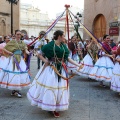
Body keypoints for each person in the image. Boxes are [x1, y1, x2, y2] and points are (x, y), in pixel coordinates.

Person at [27, 30, 80, 118]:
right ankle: (51, 107)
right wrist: (46, 61)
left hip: (61, 69)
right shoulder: (49, 45)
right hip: (51, 69)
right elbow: (39, 54)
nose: (64, 38)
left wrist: (78, 65)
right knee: (52, 87)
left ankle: (56, 105)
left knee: (59, 87)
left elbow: (67, 58)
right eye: (63, 36)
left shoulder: (63, 46)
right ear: (59, 36)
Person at [0, 30, 31, 98]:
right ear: (15, 35)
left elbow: (25, 49)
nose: (18, 36)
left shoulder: (22, 42)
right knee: (15, 74)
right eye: (17, 34)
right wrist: (10, 52)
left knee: (19, 74)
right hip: (13, 60)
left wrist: (28, 52)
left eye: (20, 34)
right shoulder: (12, 42)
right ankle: (16, 90)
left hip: (20, 59)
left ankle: (15, 90)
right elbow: (5, 49)